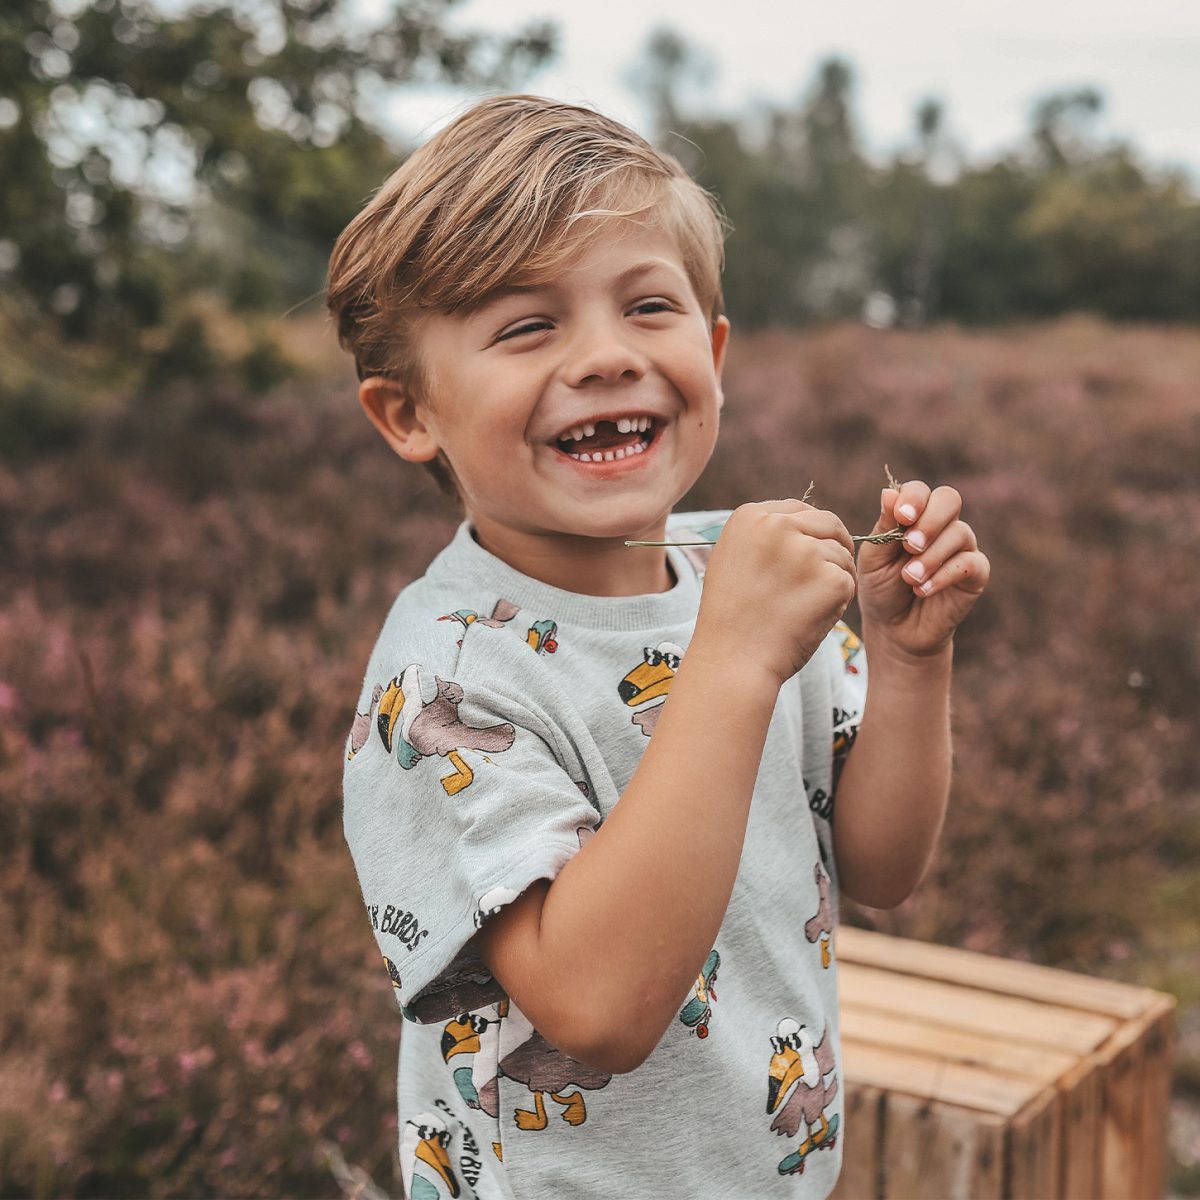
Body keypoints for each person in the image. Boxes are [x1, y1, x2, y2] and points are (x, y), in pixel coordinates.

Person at [326, 94, 989, 1199]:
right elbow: (597, 1009)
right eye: (527, 325)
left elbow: (879, 868)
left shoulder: (739, 573)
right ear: (409, 414)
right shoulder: (440, 680)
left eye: (649, 306)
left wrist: (910, 659)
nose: (606, 357)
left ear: (714, 349)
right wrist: (730, 663)